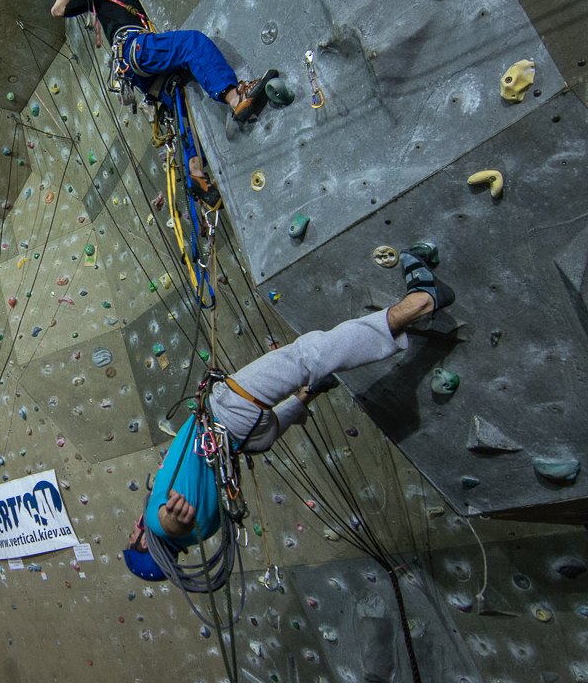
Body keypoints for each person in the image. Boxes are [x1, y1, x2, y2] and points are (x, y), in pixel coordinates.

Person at [124, 248, 455, 580]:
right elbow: (169, 523)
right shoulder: (158, 522)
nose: (132, 532)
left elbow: (188, 525)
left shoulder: (206, 531)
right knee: (306, 356)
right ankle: (422, 300)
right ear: (143, 544)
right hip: (228, 414)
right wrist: (174, 523)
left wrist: (182, 526)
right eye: (131, 540)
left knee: (272, 426)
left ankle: (306, 395)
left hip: (245, 440)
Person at [51, 0, 278, 184]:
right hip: (136, 48)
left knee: (182, 102)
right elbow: (58, 9)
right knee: (192, 44)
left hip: (142, 74)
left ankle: (196, 173)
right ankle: (235, 98)